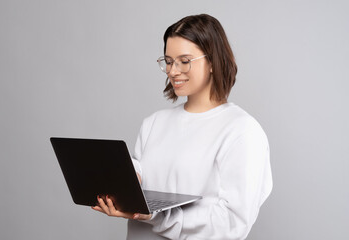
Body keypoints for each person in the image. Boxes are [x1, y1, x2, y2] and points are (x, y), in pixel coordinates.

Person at [92, 14, 273, 240]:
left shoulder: (242, 131)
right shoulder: (154, 123)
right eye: (168, 61)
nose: (173, 71)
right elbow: (150, 175)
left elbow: (231, 224)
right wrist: (129, 177)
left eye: (184, 61)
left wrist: (157, 216)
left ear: (213, 62)